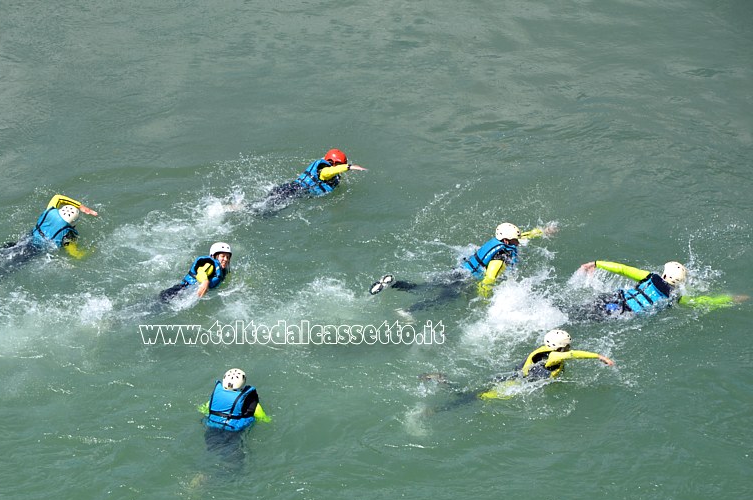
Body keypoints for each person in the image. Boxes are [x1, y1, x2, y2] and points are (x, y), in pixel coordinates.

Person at [368, 222, 556, 313]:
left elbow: (523, 236)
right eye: (515, 239)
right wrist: (484, 302)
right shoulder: (502, 255)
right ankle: (408, 311)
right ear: (506, 240)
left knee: (424, 286)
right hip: (465, 280)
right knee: (443, 299)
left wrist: (543, 232)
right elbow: (489, 279)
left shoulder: (499, 241)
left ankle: (394, 283)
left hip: (459, 270)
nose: (518, 240)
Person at [0, 194, 99, 297]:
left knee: (8, 249)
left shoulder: (50, 211)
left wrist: (81, 206)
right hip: (34, 250)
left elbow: (58, 197)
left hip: (27, 239)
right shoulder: (68, 235)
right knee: (11, 267)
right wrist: (91, 251)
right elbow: (75, 254)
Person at [575, 259, 745, 318]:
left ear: (663, 275)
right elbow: (704, 302)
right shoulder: (675, 297)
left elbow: (622, 269)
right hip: (621, 313)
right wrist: (731, 299)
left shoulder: (649, 277)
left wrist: (596, 264)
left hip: (613, 299)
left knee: (578, 310)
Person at [479, 329, 614, 400]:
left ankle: (474, 394)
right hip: (526, 382)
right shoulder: (555, 356)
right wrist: (599, 356)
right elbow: (573, 354)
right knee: (493, 394)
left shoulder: (544, 348)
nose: (569, 347)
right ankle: (482, 398)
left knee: (493, 383)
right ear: (561, 347)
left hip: (520, 372)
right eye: (568, 345)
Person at [260, 148, 367, 213]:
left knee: (263, 208)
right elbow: (329, 172)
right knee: (263, 211)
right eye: (339, 165)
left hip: (289, 190)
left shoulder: (329, 174)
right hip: (291, 191)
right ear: (332, 162)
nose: (340, 168)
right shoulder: (325, 171)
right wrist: (349, 167)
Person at [198, 368, 270, 432]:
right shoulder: (250, 401)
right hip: (233, 430)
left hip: (212, 426)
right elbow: (264, 419)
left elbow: (202, 409)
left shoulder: (214, 398)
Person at [159, 242, 232, 303]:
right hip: (177, 292)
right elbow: (201, 271)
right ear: (214, 256)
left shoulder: (222, 270)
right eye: (223, 256)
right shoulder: (210, 264)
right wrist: (205, 281)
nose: (225, 259)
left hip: (183, 293)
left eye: (228, 257)